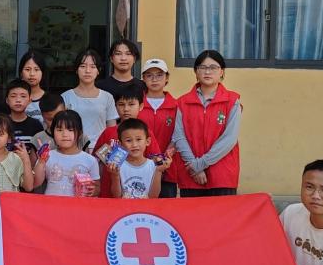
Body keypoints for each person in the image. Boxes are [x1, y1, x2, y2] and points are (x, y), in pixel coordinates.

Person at [173, 50, 242, 197]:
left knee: (223, 212)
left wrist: (200, 164)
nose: (208, 72)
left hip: (222, 175)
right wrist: (195, 167)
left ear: (221, 72)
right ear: (196, 72)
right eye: (202, 67)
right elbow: (179, 137)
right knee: (192, 213)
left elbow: (230, 139)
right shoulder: (182, 102)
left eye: (213, 67)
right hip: (191, 175)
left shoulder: (232, 101)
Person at [92, 80, 164, 198]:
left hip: (136, 194)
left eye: (131, 104)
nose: (126, 109)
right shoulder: (108, 132)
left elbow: (156, 159)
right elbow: (95, 161)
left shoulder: (146, 133)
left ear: (141, 106)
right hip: (108, 192)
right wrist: (106, 155)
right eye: (121, 104)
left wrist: (161, 163)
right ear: (115, 106)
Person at [138, 58, 180, 198]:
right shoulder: (136, 105)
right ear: (143, 78)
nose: (154, 79)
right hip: (139, 167)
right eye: (149, 75)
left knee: (166, 208)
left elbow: (179, 136)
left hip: (168, 168)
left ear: (167, 78)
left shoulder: (176, 106)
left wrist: (168, 154)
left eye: (159, 75)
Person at [61, 48, 117, 150]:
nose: (87, 71)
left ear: (98, 71)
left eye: (92, 67)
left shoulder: (107, 97)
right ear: (76, 70)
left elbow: (112, 129)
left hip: (100, 150)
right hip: (73, 149)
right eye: (83, 66)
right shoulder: (66, 97)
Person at [36, 110, 100, 197]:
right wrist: (41, 162)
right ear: (52, 132)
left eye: (70, 130)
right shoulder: (47, 156)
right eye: (59, 130)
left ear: (80, 133)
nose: (64, 134)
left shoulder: (90, 160)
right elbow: (36, 183)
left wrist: (93, 191)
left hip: (77, 205)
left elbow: (97, 187)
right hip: (51, 204)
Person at [104, 119, 171, 199]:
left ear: (148, 141)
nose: (134, 145)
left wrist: (159, 171)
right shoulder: (118, 166)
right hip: (125, 207)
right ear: (121, 144)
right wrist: (115, 176)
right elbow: (117, 196)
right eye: (129, 140)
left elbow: (153, 197)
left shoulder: (153, 165)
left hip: (145, 207)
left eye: (138, 139)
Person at [0, 113, 34, 195]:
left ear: (9, 138)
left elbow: (29, 187)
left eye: (0, 134)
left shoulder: (16, 159)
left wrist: (26, 160)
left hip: (12, 203)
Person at [18, 50, 48, 122]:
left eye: (36, 69)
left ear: (42, 73)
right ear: (21, 73)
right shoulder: (14, 99)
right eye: (27, 69)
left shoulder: (49, 99)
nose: (32, 74)